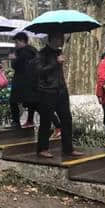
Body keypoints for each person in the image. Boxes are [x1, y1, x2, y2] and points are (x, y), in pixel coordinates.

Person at [35, 31, 84, 159]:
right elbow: (39, 71)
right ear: (52, 38)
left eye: (63, 38)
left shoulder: (58, 52)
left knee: (67, 119)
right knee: (46, 120)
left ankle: (68, 149)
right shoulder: (41, 53)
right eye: (60, 37)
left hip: (61, 91)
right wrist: (55, 63)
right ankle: (42, 149)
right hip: (47, 91)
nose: (62, 40)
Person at [9, 32, 38, 128]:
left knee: (13, 101)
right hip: (32, 81)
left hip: (21, 81)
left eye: (16, 42)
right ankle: (30, 120)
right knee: (31, 102)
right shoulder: (33, 51)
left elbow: (16, 66)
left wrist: (13, 59)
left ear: (22, 41)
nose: (15, 45)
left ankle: (16, 121)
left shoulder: (22, 52)